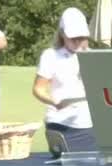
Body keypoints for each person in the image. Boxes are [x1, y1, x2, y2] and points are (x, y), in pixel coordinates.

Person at [33, 7, 96, 157]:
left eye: (81, 38)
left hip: (89, 125)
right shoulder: (51, 56)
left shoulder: (94, 57)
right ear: (62, 35)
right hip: (60, 124)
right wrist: (55, 101)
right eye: (72, 38)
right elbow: (38, 89)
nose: (77, 42)